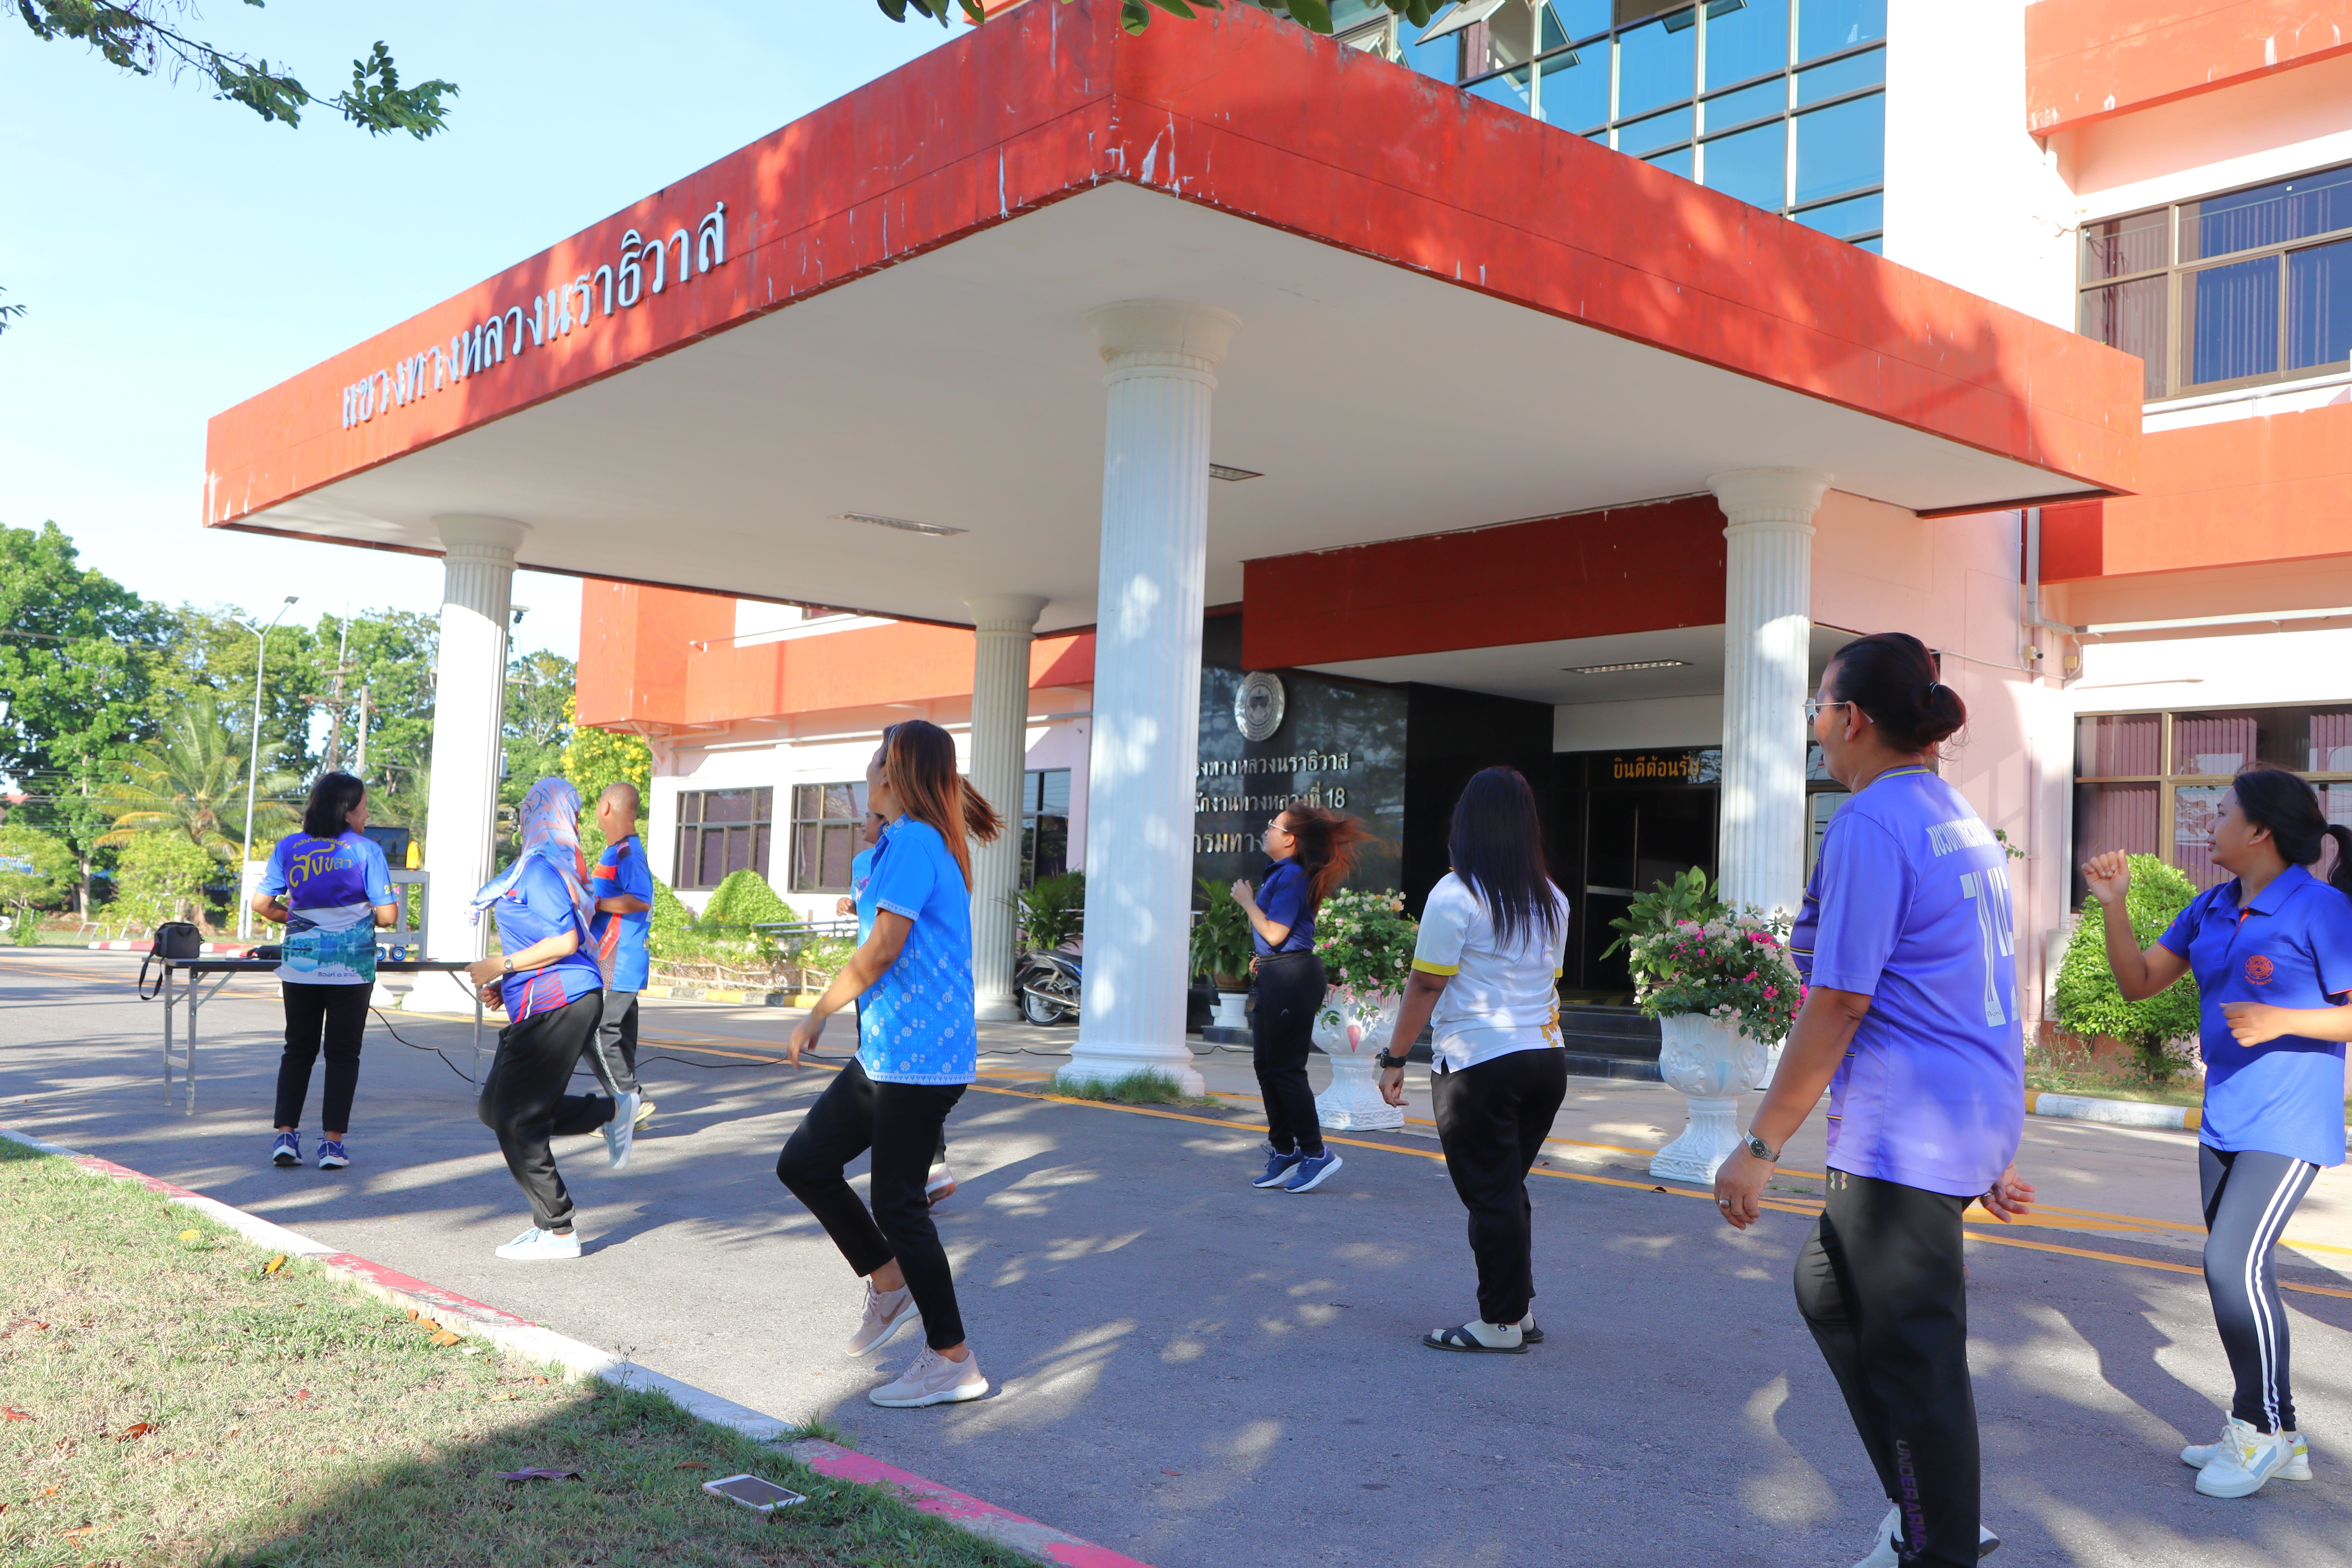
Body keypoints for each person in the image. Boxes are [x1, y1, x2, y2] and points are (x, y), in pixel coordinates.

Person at [1712, 632, 2035, 1568]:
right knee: (1827, 1287)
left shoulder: (1871, 822)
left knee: (1913, 1358)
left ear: (1851, 717)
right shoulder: (1952, 814)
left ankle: (1938, 1540)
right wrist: (1985, 1139)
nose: (1815, 725)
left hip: (1905, 1129)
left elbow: (1841, 1001)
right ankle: (1928, 1505)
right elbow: (1967, 978)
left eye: (1819, 706)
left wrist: (1760, 1144)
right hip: (1951, 1112)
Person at [2083, 764, 2352, 1499]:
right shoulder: (2211, 907)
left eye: (2223, 810)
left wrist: (2281, 1019)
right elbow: (2139, 983)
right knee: (2243, 1274)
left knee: (2230, 1265)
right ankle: (2279, 1434)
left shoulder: (2322, 909)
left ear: (2260, 830)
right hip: (2225, 1116)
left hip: (2289, 1120)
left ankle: (2258, 1432)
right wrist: (2114, 905)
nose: (2210, 821)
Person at [780, 720, 1002, 1408]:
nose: (868, 766)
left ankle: (953, 1359)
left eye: (878, 758)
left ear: (897, 772)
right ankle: (888, 1280)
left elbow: (881, 950)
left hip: (918, 1059)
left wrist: (817, 1012)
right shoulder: (905, 842)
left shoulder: (915, 841)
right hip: (890, 1054)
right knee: (805, 1164)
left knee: (900, 1207)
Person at [1376, 766, 1570, 1352]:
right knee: (1505, 1187)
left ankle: (1500, 1324)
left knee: (1491, 1194)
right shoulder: (1553, 898)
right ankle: (1520, 1311)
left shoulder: (1455, 894)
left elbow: (1426, 984)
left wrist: (1395, 1057)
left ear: (1467, 824)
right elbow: (1550, 981)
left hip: (1480, 1064)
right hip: (1546, 1061)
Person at [466, 777, 631, 1261]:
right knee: (494, 1110)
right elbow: (542, 940)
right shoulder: (539, 865)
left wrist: (500, 965)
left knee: (518, 1118)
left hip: (560, 1000)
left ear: (541, 814)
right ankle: (610, 1112)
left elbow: (563, 942)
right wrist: (507, 984)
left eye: (528, 809)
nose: (523, 818)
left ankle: (558, 1230)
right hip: (542, 999)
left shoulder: (539, 869)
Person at [252, 771, 397, 1171]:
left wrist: (298, 918)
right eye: (364, 808)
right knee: (343, 1054)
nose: (367, 815)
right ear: (347, 811)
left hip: (301, 962)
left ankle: (285, 1136)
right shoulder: (367, 851)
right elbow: (387, 915)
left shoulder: (289, 846)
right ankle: (332, 1144)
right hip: (352, 966)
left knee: (298, 1049)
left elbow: (262, 904)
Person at [1231, 802, 1374, 1194]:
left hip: (1293, 976)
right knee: (1267, 1067)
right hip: (1278, 972)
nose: (1267, 829)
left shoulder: (1292, 875)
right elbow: (1275, 938)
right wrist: (1263, 958)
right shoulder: (1281, 872)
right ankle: (1285, 1150)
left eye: (1273, 825)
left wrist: (1246, 901)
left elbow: (1276, 933)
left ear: (1290, 839)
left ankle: (1315, 1152)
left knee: (1286, 1069)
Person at [838, 808, 956, 1205]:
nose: (864, 822)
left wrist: (819, 1012)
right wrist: (851, 906)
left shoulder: (914, 846)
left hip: (903, 991)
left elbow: (891, 942)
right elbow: (875, 914)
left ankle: (926, 1172)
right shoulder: (866, 860)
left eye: (870, 816)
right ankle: (921, 1177)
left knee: (906, 1083)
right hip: (874, 990)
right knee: (886, 1081)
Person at [586, 781, 652, 1135]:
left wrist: (593, 903)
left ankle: (631, 1100)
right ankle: (626, 1116)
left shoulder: (627, 852)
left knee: (597, 1031)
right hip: (617, 960)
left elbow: (640, 899)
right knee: (617, 1039)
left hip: (617, 959)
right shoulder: (617, 851)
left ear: (606, 808)